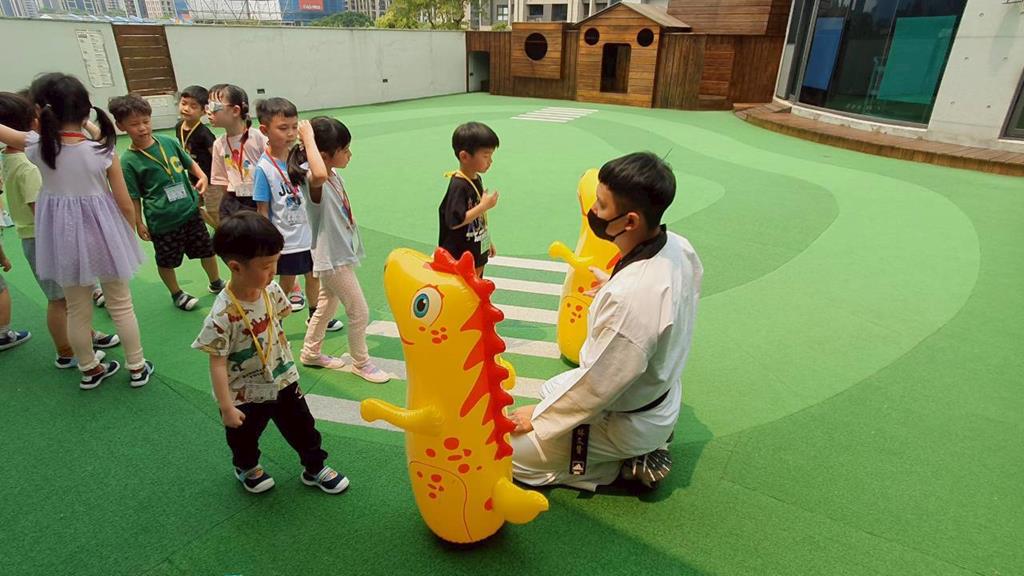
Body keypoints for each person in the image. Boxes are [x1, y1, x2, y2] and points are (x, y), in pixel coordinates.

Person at [509, 152, 703, 491]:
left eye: (601, 205)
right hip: (657, 393)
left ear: (630, 221)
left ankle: (618, 465)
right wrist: (614, 282)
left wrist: (540, 417)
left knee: (508, 453)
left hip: (627, 421)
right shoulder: (678, 247)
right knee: (550, 389)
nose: (593, 211)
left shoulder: (632, 298)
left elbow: (597, 386)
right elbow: (666, 301)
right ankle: (643, 443)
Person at [0, 73, 153, 389]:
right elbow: (125, 203)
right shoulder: (102, 151)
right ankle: (137, 366)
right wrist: (126, 234)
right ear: (85, 110)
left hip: (64, 238)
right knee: (121, 304)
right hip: (104, 235)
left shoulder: (37, 147)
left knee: (77, 309)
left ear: (40, 111)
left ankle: (89, 368)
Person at [192, 212, 349, 495]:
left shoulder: (271, 290)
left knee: (303, 426)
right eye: (266, 266)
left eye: (275, 262)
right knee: (244, 434)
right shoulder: (222, 314)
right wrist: (227, 407)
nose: (274, 271)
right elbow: (217, 364)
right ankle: (247, 467)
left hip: (283, 379)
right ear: (236, 267)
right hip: (244, 392)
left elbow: (277, 326)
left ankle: (315, 467)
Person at [0, 91, 119, 367]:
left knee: (72, 299)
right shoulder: (29, 165)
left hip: (35, 237)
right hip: (46, 240)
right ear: (31, 123)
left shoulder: (10, 157)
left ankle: (86, 336)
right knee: (60, 300)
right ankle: (67, 351)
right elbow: (40, 211)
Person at [290, 116, 389, 381]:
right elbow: (319, 173)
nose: (349, 155)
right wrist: (307, 137)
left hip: (337, 252)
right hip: (331, 257)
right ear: (323, 155)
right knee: (359, 312)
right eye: (344, 150)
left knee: (326, 305)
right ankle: (361, 363)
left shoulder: (333, 175)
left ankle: (311, 352)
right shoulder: (313, 179)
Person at [110, 94, 224, 311]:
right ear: (120, 126)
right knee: (166, 260)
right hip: (162, 220)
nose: (142, 128)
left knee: (207, 250)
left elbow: (189, 163)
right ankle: (176, 293)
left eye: (146, 121)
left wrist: (202, 176)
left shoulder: (168, 142)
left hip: (190, 211)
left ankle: (216, 282)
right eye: (134, 124)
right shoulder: (128, 162)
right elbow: (134, 197)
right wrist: (139, 222)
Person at [438, 122, 499, 277]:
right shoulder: (458, 185)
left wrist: (486, 241)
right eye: (486, 156)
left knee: (477, 285)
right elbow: (455, 221)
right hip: (460, 257)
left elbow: (477, 218)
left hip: (475, 250)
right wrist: (483, 206)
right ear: (464, 156)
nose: (490, 161)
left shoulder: (476, 178)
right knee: (465, 288)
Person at [174, 85, 217, 227]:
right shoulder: (179, 126)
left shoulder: (204, 134)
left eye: (193, 106)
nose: (186, 109)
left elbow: (217, 157)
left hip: (211, 181)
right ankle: (219, 231)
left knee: (214, 211)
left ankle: (223, 233)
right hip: (193, 178)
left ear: (204, 111)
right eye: (184, 103)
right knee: (193, 207)